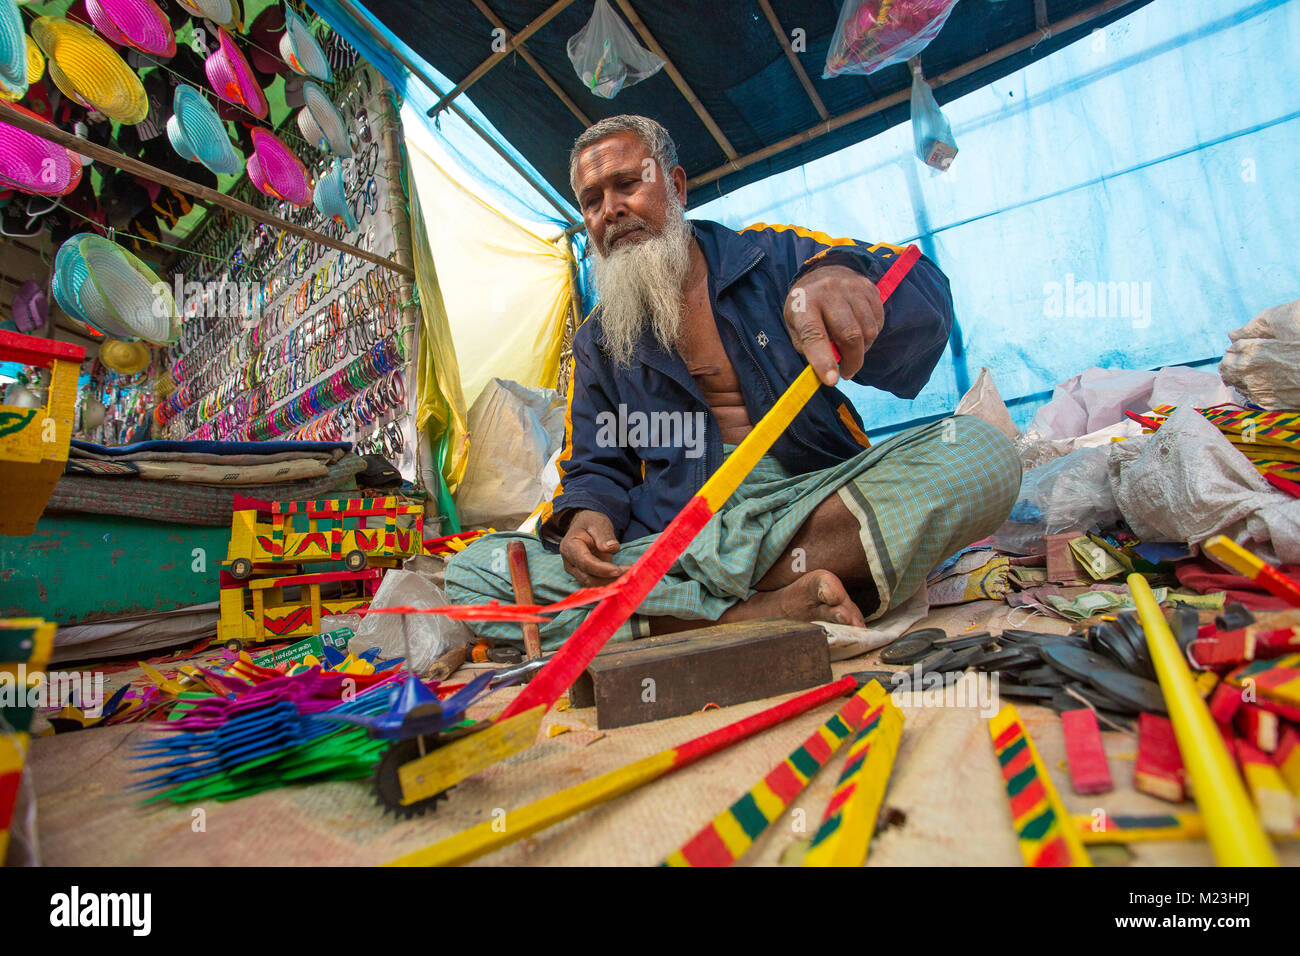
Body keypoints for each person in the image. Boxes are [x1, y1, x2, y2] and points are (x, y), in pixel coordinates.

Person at [446, 115, 1020, 648]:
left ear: (676, 185)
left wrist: (842, 279)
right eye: (592, 201)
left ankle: (678, 613)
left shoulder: (769, 257)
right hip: (675, 526)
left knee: (981, 454)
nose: (611, 210)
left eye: (627, 185)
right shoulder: (598, 340)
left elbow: (921, 293)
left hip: (807, 503)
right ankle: (752, 612)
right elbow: (594, 466)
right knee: (471, 573)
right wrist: (585, 520)